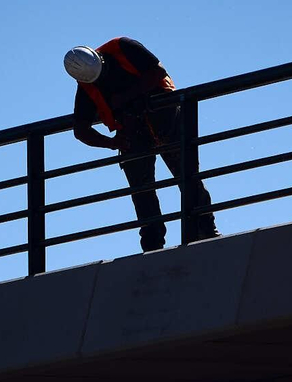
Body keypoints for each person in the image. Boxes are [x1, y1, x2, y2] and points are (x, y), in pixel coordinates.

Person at [66, 37, 218, 252]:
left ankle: (205, 228)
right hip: (130, 133)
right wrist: (111, 143)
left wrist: (126, 98)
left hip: (163, 116)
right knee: (142, 191)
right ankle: (153, 244)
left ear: (100, 57)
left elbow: (158, 71)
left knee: (186, 175)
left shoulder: (122, 47)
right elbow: (81, 130)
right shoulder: (86, 86)